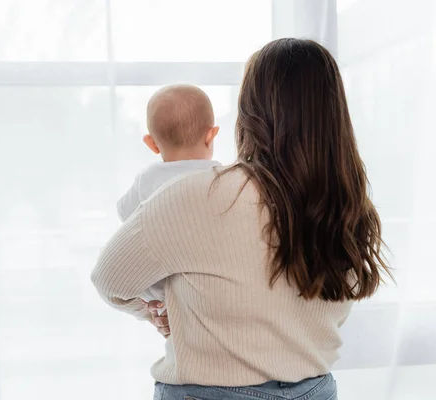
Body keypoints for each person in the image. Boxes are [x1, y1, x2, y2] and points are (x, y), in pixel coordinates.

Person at [91, 38, 391, 400]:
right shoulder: (347, 208)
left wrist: (154, 310)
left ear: (251, 112)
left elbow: (108, 279)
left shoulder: (193, 195)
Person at [116, 84, 220, 312]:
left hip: (161, 285)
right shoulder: (220, 176)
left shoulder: (147, 178)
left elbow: (124, 212)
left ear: (151, 144)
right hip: (206, 281)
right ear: (211, 135)